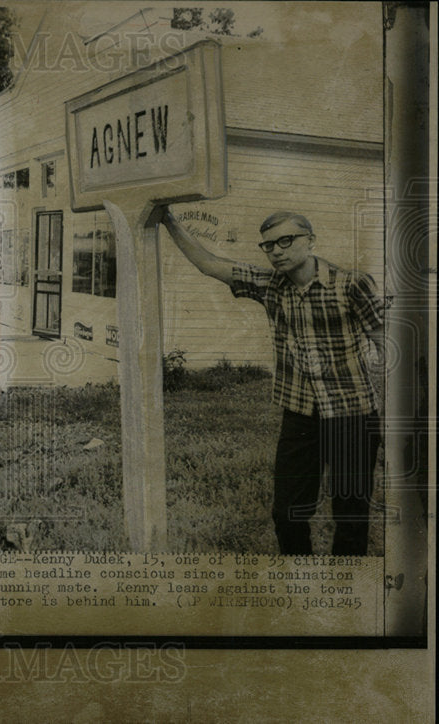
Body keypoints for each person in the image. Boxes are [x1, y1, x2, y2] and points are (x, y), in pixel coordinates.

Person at [161, 208, 385, 555]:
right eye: (268, 246)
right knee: (287, 514)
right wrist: (168, 220)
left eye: (286, 241)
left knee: (351, 516)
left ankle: (346, 593)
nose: (277, 251)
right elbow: (208, 264)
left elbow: (389, 344)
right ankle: (298, 584)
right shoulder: (270, 286)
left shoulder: (352, 285)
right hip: (300, 415)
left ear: (310, 240)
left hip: (353, 414)